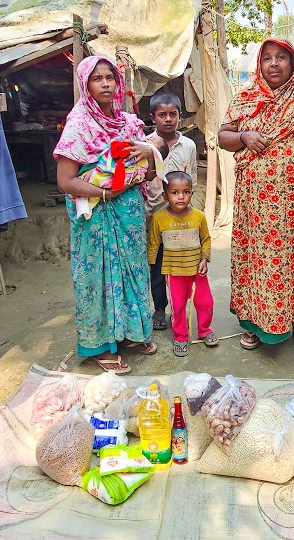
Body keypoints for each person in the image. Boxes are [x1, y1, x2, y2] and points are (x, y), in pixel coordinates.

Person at [217, 38, 294, 354]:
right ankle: (255, 324)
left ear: (292, 62)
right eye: (267, 58)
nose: (273, 64)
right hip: (255, 206)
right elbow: (222, 137)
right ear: (260, 63)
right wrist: (243, 135)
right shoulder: (244, 98)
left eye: (281, 58)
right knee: (257, 261)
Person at [54, 56, 160, 374]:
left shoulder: (129, 124)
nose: (105, 84)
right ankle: (100, 345)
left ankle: (128, 333)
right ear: (85, 85)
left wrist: (149, 153)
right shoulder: (79, 125)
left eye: (109, 78)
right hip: (95, 215)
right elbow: (65, 181)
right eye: (97, 78)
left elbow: (150, 171)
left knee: (132, 271)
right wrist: (104, 192)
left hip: (127, 213)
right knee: (97, 276)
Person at [142, 92, 199, 331]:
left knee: (181, 266)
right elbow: (142, 180)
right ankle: (159, 308)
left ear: (180, 116)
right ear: (152, 117)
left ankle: (179, 309)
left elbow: (192, 180)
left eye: (172, 114)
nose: (168, 119)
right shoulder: (145, 145)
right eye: (162, 115)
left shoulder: (189, 145)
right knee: (156, 267)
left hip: (181, 221)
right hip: (154, 218)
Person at [147, 171, 217, 357]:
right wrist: (151, 264)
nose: (181, 196)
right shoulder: (159, 218)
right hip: (173, 271)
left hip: (196, 271)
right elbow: (154, 243)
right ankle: (180, 336)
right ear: (165, 195)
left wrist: (204, 258)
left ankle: (204, 330)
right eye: (175, 192)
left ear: (192, 194)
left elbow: (206, 240)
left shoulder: (199, 216)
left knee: (205, 303)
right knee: (177, 308)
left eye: (186, 192)